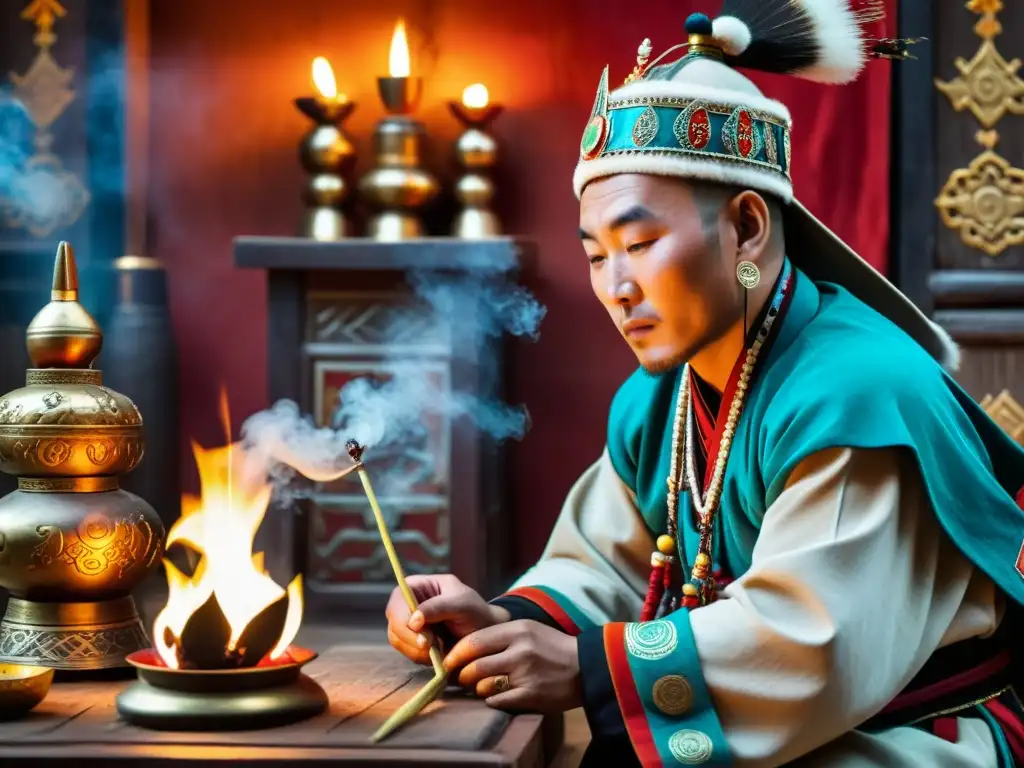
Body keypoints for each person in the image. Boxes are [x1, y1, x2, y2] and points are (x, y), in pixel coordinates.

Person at [385, 2, 1024, 766]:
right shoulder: (664, 398)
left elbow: (811, 644)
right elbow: (604, 563)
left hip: (906, 736)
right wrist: (497, 620)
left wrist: (588, 668)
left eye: (642, 242)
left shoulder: (859, 396)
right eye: (595, 255)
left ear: (748, 228)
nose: (616, 286)